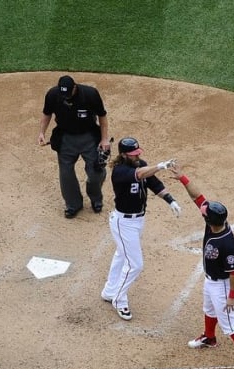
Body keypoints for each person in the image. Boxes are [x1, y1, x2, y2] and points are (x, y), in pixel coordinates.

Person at [168, 162, 234, 369]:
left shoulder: (227, 243)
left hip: (224, 285)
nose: (202, 209)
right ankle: (209, 337)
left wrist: (231, 297)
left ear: (209, 220)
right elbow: (198, 197)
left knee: (230, 325)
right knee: (209, 310)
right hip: (212, 281)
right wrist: (183, 178)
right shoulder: (214, 223)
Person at [100, 137, 181, 321]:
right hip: (123, 223)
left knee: (122, 255)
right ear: (123, 155)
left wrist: (171, 201)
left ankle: (109, 291)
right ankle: (119, 300)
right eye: (133, 154)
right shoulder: (119, 171)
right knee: (135, 264)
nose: (137, 157)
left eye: (138, 153)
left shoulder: (140, 164)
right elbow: (140, 174)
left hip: (137, 221)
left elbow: (154, 184)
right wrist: (160, 166)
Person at [38, 75, 111, 218]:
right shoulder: (53, 94)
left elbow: (102, 116)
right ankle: (73, 204)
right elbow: (47, 114)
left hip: (89, 137)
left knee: (96, 172)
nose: (66, 97)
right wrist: (41, 132)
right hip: (65, 138)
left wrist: (104, 139)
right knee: (66, 173)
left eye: (68, 94)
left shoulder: (90, 94)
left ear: (75, 87)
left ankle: (96, 199)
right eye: (63, 94)